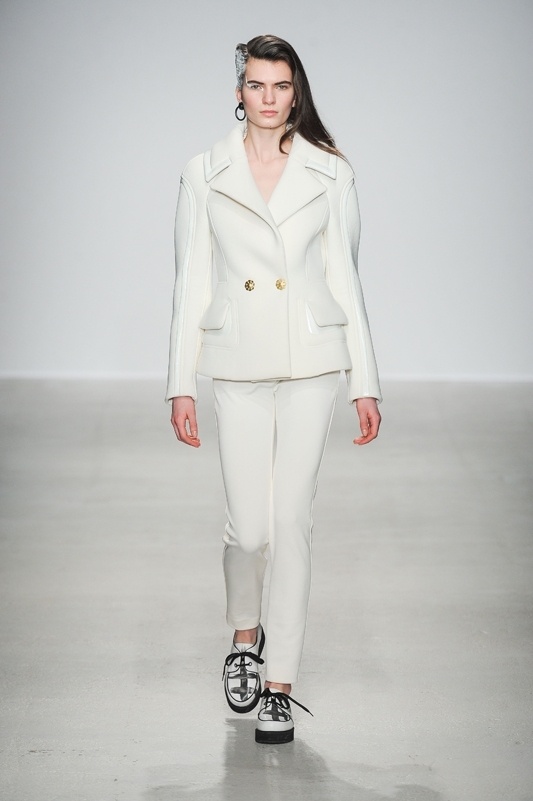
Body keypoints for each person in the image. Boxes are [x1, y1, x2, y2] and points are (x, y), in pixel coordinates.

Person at [167, 34, 381, 744]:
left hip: (312, 358)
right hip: (236, 360)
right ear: (239, 93)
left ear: (296, 93)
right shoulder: (204, 172)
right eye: (256, 85)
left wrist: (364, 379)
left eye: (280, 86)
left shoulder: (329, 172)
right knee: (248, 528)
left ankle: (280, 683)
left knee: (290, 522)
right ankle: (244, 632)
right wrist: (179, 382)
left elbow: (346, 276)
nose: (268, 97)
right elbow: (191, 280)